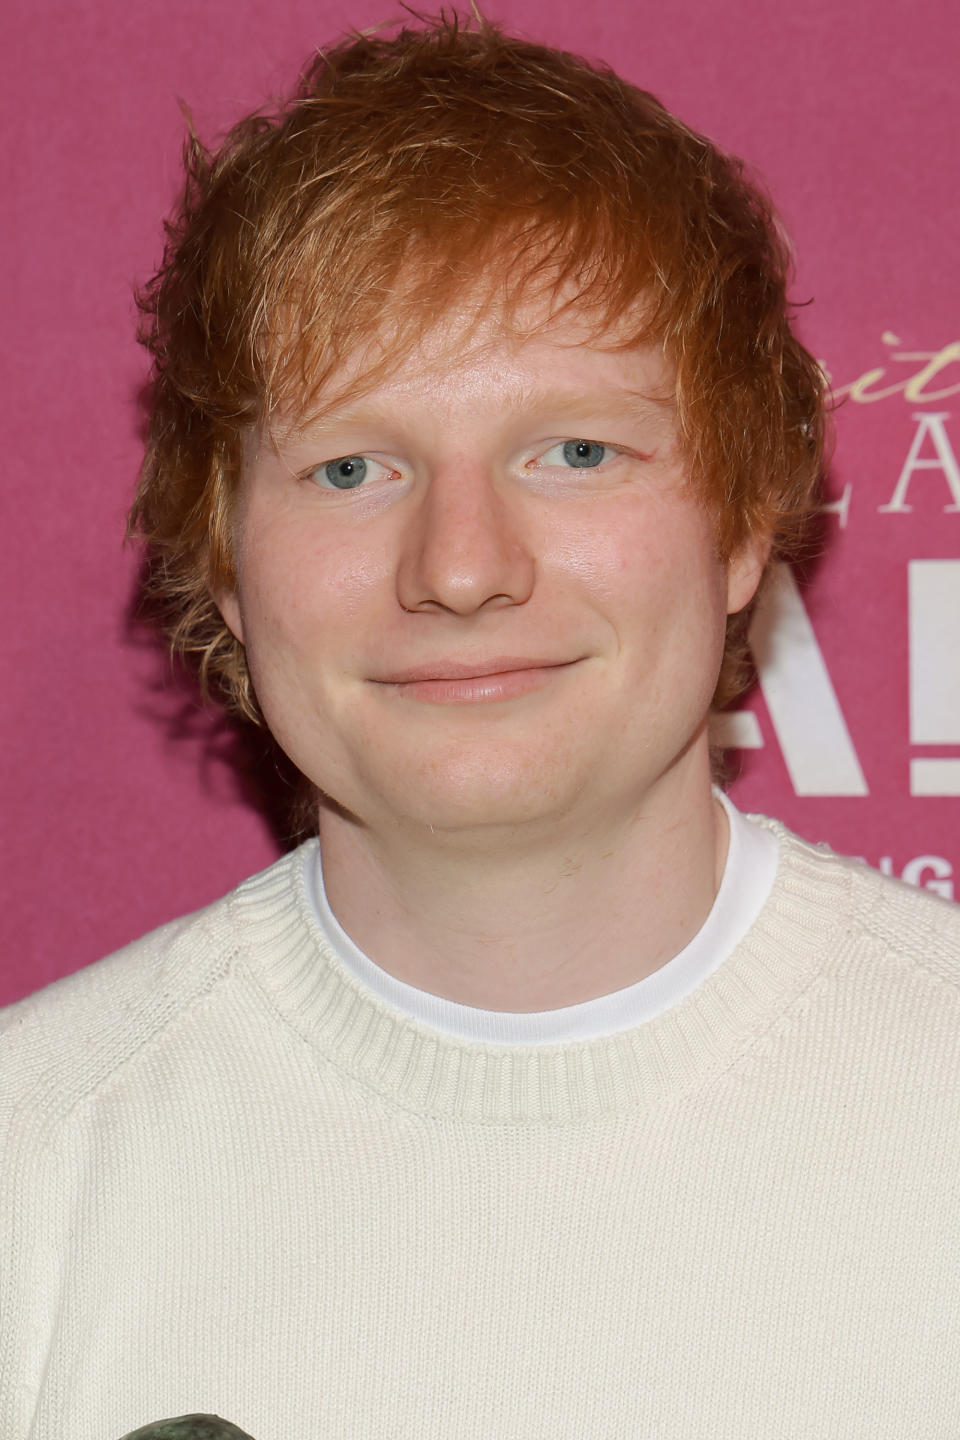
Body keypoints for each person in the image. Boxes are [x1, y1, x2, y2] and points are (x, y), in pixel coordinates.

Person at [2, 16, 958, 1440]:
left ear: (748, 514)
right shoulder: (35, 1168)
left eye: (574, 450)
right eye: (350, 466)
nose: (459, 565)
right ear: (219, 552)